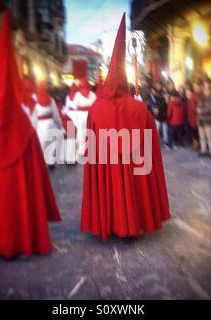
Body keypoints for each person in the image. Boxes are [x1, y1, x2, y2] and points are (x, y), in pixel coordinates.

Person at [0, 11, 61, 258]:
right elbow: (35, 174)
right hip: (19, 186)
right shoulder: (22, 123)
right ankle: (20, 239)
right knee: (17, 199)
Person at [80, 13, 170, 239]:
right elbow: (151, 153)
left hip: (107, 164)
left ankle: (108, 222)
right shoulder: (141, 111)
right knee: (131, 182)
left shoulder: (95, 110)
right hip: (134, 168)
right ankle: (132, 226)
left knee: (109, 183)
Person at [33, 80, 64, 165]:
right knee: (51, 142)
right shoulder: (50, 99)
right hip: (50, 123)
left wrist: (34, 127)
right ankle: (51, 161)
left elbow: (34, 115)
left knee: (42, 143)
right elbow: (55, 114)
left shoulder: (34, 100)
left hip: (40, 124)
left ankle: (43, 162)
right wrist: (59, 124)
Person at [70, 78, 96, 158]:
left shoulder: (77, 95)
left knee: (80, 131)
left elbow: (74, 106)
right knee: (90, 131)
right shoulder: (92, 94)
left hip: (80, 115)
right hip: (90, 115)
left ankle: (82, 150)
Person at [197, 80, 211, 158]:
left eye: (207, 89)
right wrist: (201, 109)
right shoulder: (202, 98)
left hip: (208, 120)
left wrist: (202, 110)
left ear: (210, 90)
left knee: (210, 136)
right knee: (202, 136)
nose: (205, 90)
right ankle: (203, 150)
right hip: (201, 119)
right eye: (204, 89)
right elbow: (199, 106)